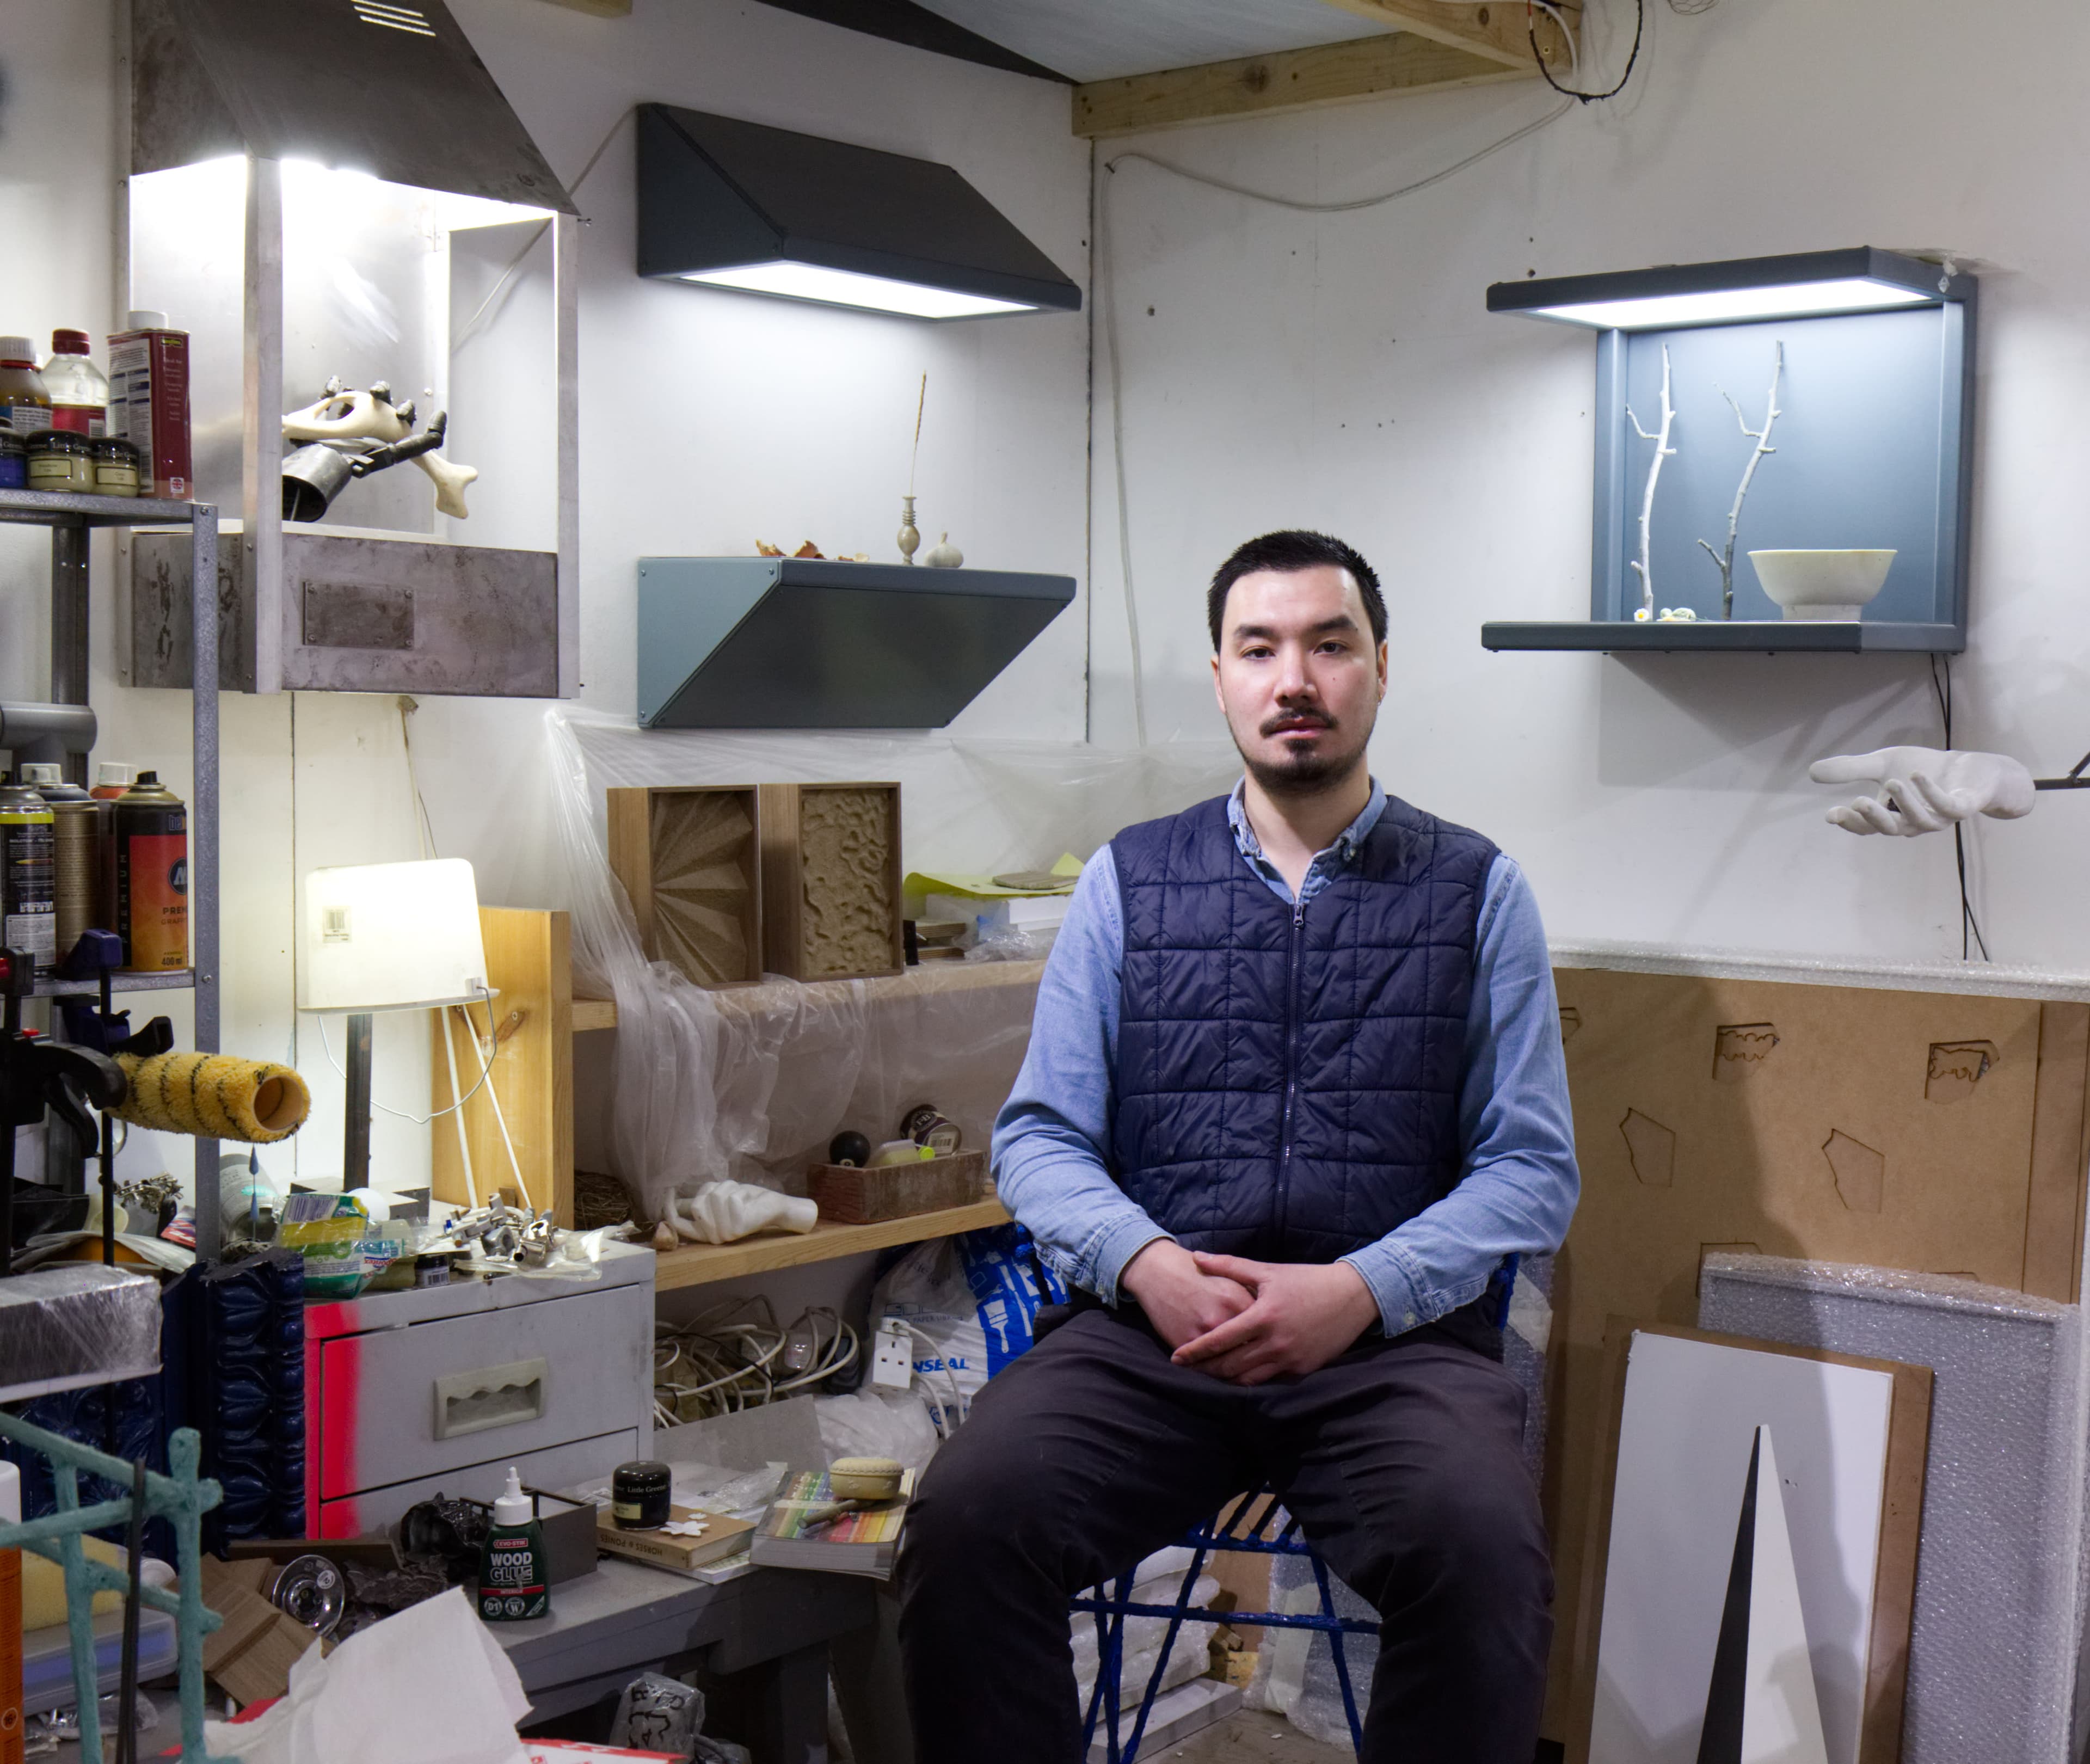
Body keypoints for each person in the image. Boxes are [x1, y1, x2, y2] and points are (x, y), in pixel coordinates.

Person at [895, 530, 1580, 1763]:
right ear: (1220, 676)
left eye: (1330, 644)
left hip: (1389, 1356)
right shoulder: (1128, 880)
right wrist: (1147, 1262)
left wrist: (1359, 1290)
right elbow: (1040, 1138)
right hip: (1153, 1339)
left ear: (1381, 668)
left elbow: (1531, 1169)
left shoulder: (1478, 888)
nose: (1295, 679)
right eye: (1260, 648)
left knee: (1485, 1563)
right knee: (964, 1522)